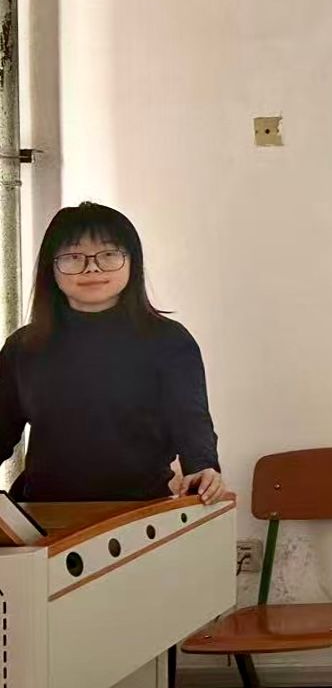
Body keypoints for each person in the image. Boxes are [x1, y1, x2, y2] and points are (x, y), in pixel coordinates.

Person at [0, 203, 225, 503]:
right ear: (50, 267)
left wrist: (203, 466)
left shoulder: (169, 340)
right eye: (73, 257)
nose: (91, 267)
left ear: (132, 262)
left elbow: (190, 419)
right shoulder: (23, 346)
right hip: (44, 511)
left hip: (140, 510)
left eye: (108, 254)